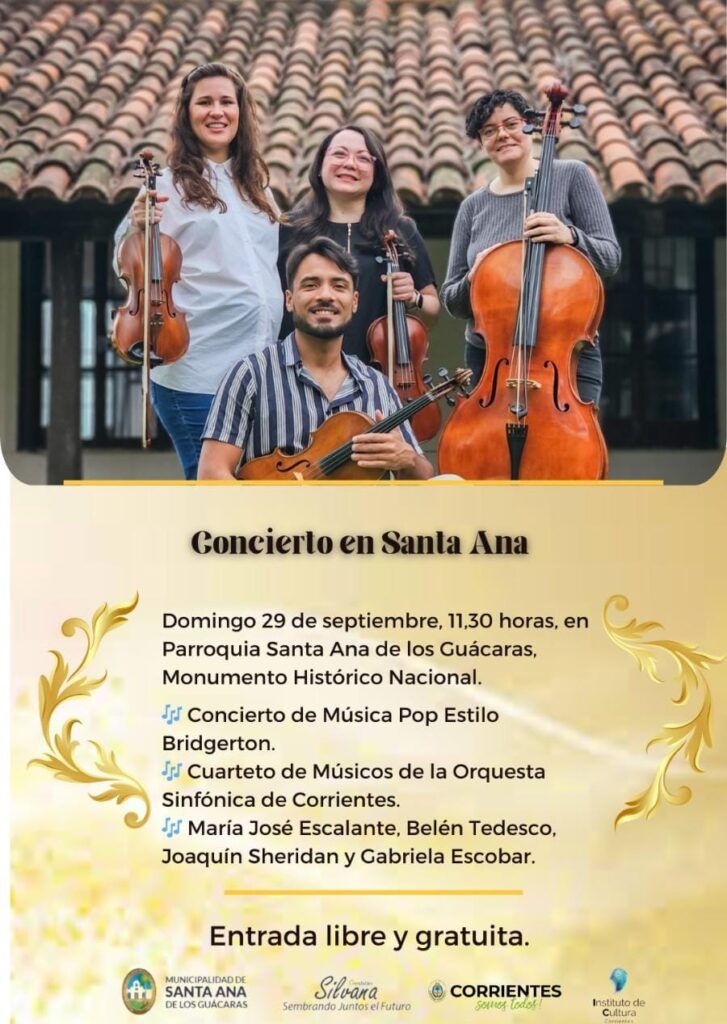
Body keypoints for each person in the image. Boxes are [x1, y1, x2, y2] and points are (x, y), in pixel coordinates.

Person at [113, 62, 282, 479]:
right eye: (204, 102)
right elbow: (127, 257)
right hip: (198, 369)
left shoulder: (259, 189)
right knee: (211, 488)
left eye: (227, 101)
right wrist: (136, 224)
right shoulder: (166, 186)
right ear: (187, 113)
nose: (217, 111)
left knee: (250, 488)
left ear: (241, 112)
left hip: (257, 368)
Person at [198, 237, 433, 481]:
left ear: (354, 302)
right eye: (311, 285)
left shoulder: (377, 385)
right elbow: (211, 474)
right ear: (289, 300)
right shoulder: (250, 375)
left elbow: (425, 476)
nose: (325, 295)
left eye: (339, 286)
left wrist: (407, 459)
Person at [440, 88, 621, 405]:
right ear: (481, 142)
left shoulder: (572, 175)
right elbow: (452, 301)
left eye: (511, 124)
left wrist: (571, 236)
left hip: (565, 353)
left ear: (530, 126)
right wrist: (474, 278)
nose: (502, 135)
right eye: (489, 131)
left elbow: (610, 258)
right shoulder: (472, 207)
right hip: (490, 357)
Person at [278, 125, 440, 363]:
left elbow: (433, 310)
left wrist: (414, 298)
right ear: (320, 166)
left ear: (377, 173)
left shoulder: (400, 229)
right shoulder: (289, 229)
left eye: (363, 158)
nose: (350, 164)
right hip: (299, 371)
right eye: (339, 154)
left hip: (379, 375)